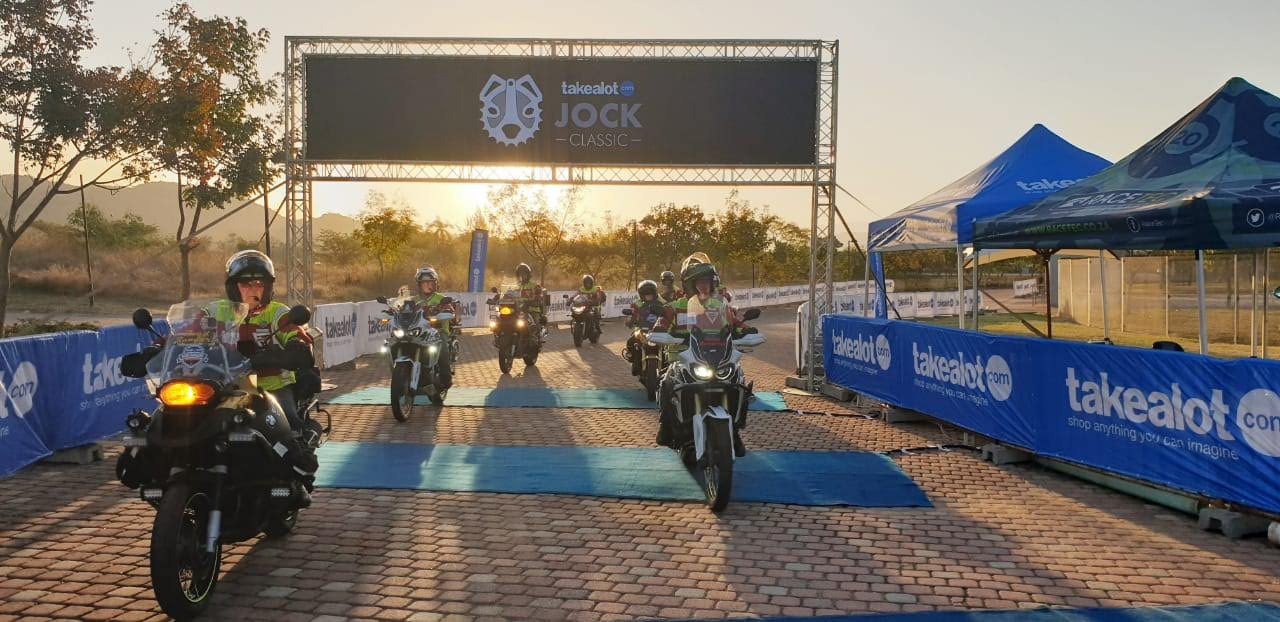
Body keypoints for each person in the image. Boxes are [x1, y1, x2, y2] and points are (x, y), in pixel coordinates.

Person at [652, 256, 754, 454]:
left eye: (707, 282)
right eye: (699, 282)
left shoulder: (720, 305)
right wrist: (660, 331)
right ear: (689, 285)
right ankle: (665, 427)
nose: (704, 286)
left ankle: (735, 430)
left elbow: (735, 324)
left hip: (716, 356)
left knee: (739, 381)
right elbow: (661, 323)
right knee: (666, 383)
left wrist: (747, 330)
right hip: (682, 357)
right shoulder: (674, 306)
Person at [410, 266, 457, 386]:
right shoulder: (413, 300)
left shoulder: (441, 298)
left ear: (435, 284)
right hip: (420, 331)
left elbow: (451, 310)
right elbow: (404, 310)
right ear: (419, 285)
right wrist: (396, 310)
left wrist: (447, 310)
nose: (427, 285)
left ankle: (446, 379)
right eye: (424, 283)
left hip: (439, 330)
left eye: (430, 282)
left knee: (442, 348)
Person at [624, 279, 665, 376]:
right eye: (646, 294)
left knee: (668, 346)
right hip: (641, 329)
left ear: (655, 293)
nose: (648, 296)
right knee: (630, 341)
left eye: (650, 294)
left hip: (658, 330)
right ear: (641, 294)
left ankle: (666, 364)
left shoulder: (662, 302)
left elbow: (669, 312)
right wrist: (630, 321)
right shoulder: (637, 303)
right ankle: (632, 358)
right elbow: (633, 315)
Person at [514, 262, 547, 336]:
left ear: (528, 275)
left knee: (536, 324)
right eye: (520, 274)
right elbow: (510, 295)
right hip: (520, 310)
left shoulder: (534, 285)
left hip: (532, 309)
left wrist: (534, 300)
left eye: (524, 274)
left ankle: (538, 336)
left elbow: (539, 296)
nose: (522, 276)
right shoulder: (517, 286)